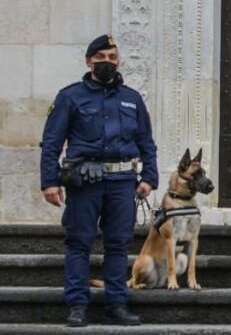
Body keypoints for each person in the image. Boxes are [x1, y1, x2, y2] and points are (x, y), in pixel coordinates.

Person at [40, 35, 158, 328]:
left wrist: (149, 177)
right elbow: (52, 142)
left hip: (122, 182)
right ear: (89, 61)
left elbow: (146, 142)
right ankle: (77, 306)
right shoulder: (70, 97)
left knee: (118, 246)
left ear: (118, 61)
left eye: (112, 57)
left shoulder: (132, 98)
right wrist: (49, 182)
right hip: (84, 182)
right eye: (101, 57)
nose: (107, 62)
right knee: (79, 244)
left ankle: (116, 304)